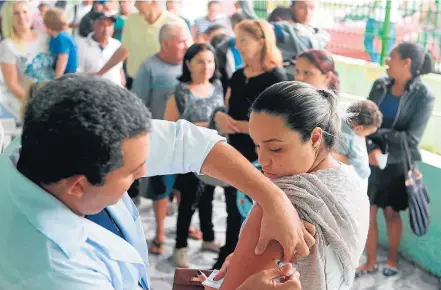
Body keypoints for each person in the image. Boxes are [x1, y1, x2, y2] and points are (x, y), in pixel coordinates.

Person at [0, 74, 314, 289]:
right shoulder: (52, 274)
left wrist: (274, 199)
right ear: (78, 186)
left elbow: (188, 143)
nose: (144, 173)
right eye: (134, 172)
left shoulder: (46, 141)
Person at [212, 81, 370, 290]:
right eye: (257, 146)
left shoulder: (281, 206)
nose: (263, 160)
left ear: (315, 138)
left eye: (275, 149)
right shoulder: (351, 181)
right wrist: (242, 259)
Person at [212, 19, 288, 269]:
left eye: (244, 40)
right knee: (233, 209)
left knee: (253, 213)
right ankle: (228, 261)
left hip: (261, 156)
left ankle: (245, 264)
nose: (238, 45)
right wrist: (220, 117)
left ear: (262, 41)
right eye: (236, 40)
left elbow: (279, 123)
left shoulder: (275, 77)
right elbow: (226, 105)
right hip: (235, 150)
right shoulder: (236, 75)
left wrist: (241, 126)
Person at [357, 42, 435, 277]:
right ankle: (370, 262)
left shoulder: (424, 95)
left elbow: (411, 138)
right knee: (367, 212)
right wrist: (370, 147)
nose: (387, 61)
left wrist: (376, 134)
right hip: (371, 160)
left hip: (399, 164)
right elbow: (362, 119)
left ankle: (392, 259)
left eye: (391, 57)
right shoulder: (380, 85)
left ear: (406, 63)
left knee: (392, 213)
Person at [131, 22, 190, 255]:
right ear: (165, 44)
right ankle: (160, 232)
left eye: (187, 40)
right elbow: (137, 106)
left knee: (185, 188)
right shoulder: (149, 69)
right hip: (159, 141)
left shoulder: (189, 65)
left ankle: (184, 227)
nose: (186, 45)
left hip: (186, 141)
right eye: (181, 41)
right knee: (161, 190)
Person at [164, 43, 224, 267]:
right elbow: (168, 126)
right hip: (188, 157)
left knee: (208, 198)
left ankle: (208, 238)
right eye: (200, 61)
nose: (206, 66)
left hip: (214, 154)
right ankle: (180, 246)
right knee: (188, 203)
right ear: (188, 64)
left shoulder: (218, 87)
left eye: (210, 61)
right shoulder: (180, 92)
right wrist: (196, 127)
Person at [95, 1, 188, 90]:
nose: (135, 5)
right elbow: (123, 50)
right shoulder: (131, 20)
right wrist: (101, 72)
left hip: (165, 84)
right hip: (134, 82)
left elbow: (187, 56)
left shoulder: (176, 23)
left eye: (138, 1)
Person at [0, 1, 54, 120]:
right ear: (9, 18)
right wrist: (35, 103)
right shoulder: (8, 46)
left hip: (53, 100)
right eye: (16, 13)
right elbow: (12, 84)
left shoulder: (45, 37)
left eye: (25, 12)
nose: (22, 17)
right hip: (29, 107)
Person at [333, 100, 383, 180]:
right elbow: (363, 171)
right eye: (369, 132)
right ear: (358, 128)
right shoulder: (353, 143)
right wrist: (368, 171)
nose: (367, 135)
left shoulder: (337, 115)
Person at [77, 12, 124, 87]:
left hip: (115, 91)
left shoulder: (117, 44)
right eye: (102, 25)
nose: (106, 29)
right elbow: (78, 72)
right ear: (93, 25)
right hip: (92, 90)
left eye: (109, 25)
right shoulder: (81, 46)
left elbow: (119, 69)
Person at [215, 12, 245, 94]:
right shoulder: (223, 49)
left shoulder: (256, 47)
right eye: (240, 27)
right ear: (233, 27)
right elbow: (219, 75)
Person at [44, 8, 78, 78]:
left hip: (67, 74)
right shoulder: (55, 36)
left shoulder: (62, 38)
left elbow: (62, 60)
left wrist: (56, 79)